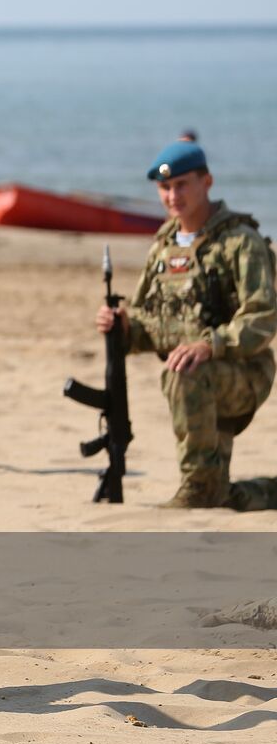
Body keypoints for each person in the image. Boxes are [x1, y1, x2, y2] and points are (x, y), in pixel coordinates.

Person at [95, 140, 276, 508]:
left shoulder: (240, 242)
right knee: (220, 495)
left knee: (184, 374)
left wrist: (212, 345)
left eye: (182, 184)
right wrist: (123, 326)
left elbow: (263, 317)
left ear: (206, 182)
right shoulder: (163, 246)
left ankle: (195, 488)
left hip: (243, 373)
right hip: (194, 373)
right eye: (164, 187)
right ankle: (247, 491)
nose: (172, 195)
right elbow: (151, 320)